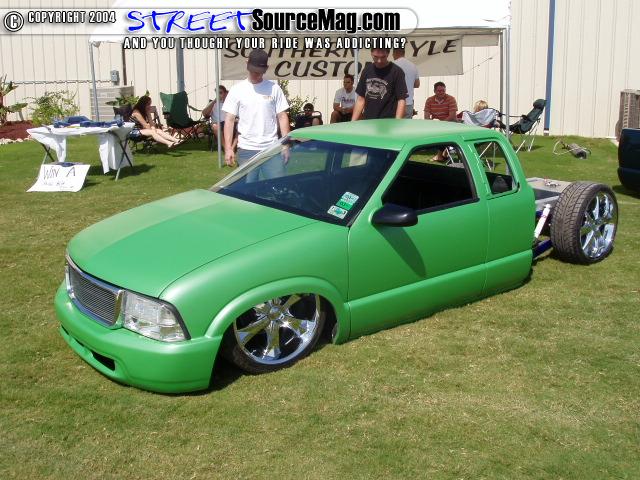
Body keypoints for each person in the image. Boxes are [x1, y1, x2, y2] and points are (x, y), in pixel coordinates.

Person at [222, 49, 290, 168]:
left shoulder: (274, 89)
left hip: (271, 148)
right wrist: (228, 148)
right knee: (248, 181)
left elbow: (282, 116)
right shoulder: (237, 90)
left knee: (275, 180)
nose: (255, 74)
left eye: (259, 72)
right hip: (246, 149)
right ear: (247, 64)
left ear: (266, 68)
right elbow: (229, 120)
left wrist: (285, 145)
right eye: (253, 70)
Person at [351, 48, 407, 121]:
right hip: (369, 121)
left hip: (389, 121)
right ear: (371, 54)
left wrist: (397, 121)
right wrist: (353, 122)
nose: (379, 61)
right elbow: (361, 99)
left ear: (388, 54)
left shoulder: (396, 72)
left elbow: (401, 100)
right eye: (376, 57)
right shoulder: (367, 70)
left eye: (383, 57)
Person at [202, 85, 237, 150]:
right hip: (218, 123)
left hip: (229, 123)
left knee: (240, 126)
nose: (219, 95)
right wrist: (214, 101)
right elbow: (204, 113)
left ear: (225, 93)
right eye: (217, 93)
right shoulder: (213, 103)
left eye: (220, 93)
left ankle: (232, 147)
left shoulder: (230, 103)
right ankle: (226, 148)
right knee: (215, 126)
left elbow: (237, 115)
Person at [392, 48, 420, 119]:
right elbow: (417, 84)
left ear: (394, 53)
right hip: (408, 102)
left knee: (393, 125)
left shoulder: (392, 65)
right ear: (404, 53)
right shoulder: (413, 66)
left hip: (394, 103)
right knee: (406, 125)